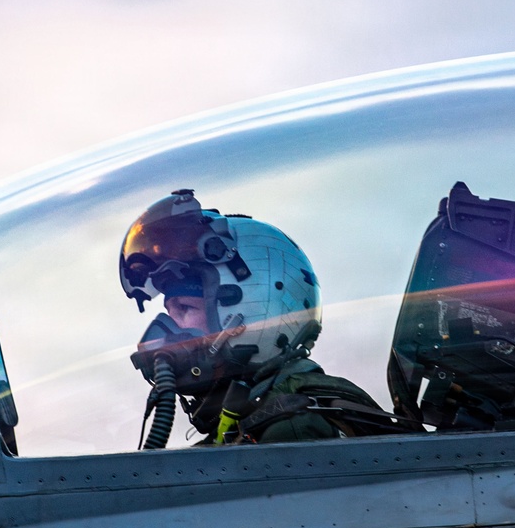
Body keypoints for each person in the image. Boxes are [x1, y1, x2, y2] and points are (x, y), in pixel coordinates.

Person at [118, 188, 403, 448]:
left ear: (250, 311)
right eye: (169, 313)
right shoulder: (242, 424)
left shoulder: (293, 430)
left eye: (184, 309)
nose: (166, 329)